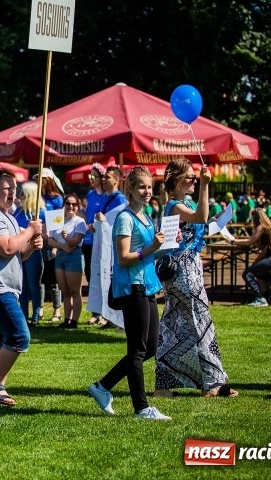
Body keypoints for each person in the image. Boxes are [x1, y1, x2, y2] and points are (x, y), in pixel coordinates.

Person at [87, 166, 171, 420]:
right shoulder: (125, 218)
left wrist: (168, 245)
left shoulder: (145, 216)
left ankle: (102, 387)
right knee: (137, 349)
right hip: (131, 286)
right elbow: (124, 258)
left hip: (148, 285)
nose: (147, 191)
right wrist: (152, 247)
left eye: (149, 187)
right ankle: (141, 408)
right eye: (141, 187)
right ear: (130, 190)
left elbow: (150, 253)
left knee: (150, 347)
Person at [153, 159, 237, 400]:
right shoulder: (175, 205)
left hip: (185, 270)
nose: (195, 180)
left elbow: (199, 224)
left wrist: (216, 222)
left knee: (173, 327)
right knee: (201, 323)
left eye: (195, 177)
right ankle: (212, 384)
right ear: (177, 179)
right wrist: (206, 185)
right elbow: (199, 216)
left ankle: (163, 386)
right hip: (184, 272)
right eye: (190, 177)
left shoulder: (184, 204)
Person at [0, 168, 43, 406]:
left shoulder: (9, 218)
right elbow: (6, 248)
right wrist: (30, 231)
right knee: (19, 336)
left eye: (14, 188)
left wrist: (31, 245)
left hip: (3, 287)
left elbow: (17, 255)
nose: (12, 193)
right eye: (6, 188)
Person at [89, 166, 128, 327]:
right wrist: (95, 226)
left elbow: (118, 224)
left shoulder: (120, 200)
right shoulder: (105, 197)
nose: (104, 180)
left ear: (117, 180)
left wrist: (103, 221)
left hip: (113, 249)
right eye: (103, 177)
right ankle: (107, 316)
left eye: (108, 177)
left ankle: (115, 317)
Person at [47, 193, 87, 328]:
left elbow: (75, 242)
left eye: (74, 204)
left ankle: (74, 321)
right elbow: (50, 240)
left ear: (77, 206)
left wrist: (66, 238)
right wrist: (62, 245)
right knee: (64, 290)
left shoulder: (80, 222)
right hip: (60, 255)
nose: (71, 206)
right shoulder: (57, 219)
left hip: (73, 256)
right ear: (64, 205)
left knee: (74, 291)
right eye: (68, 203)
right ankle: (66, 319)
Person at [231, 209, 271, 307]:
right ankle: (264, 296)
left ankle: (260, 299)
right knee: (259, 274)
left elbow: (249, 242)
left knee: (247, 274)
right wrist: (256, 263)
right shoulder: (270, 227)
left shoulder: (261, 227)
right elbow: (265, 250)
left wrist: (233, 241)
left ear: (256, 218)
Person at [13, 182, 49, 325]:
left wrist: (29, 233)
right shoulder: (18, 211)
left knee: (34, 285)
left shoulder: (41, 213)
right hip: (20, 250)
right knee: (22, 285)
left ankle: (36, 315)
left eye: (22, 193)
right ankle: (23, 315)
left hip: (34, 252)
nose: (20, 196)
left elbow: (46, 235)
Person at [82, 163, 107, 324]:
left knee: (103, 275)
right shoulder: (90, 195)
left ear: (102, 178)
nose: (91, 179)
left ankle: (105, 312)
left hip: (101, 241)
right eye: (90, 176)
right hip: (88, 240)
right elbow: (88, 216)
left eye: (94, 176)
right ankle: (96, 312)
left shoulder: (107, 196)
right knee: (91, 275)